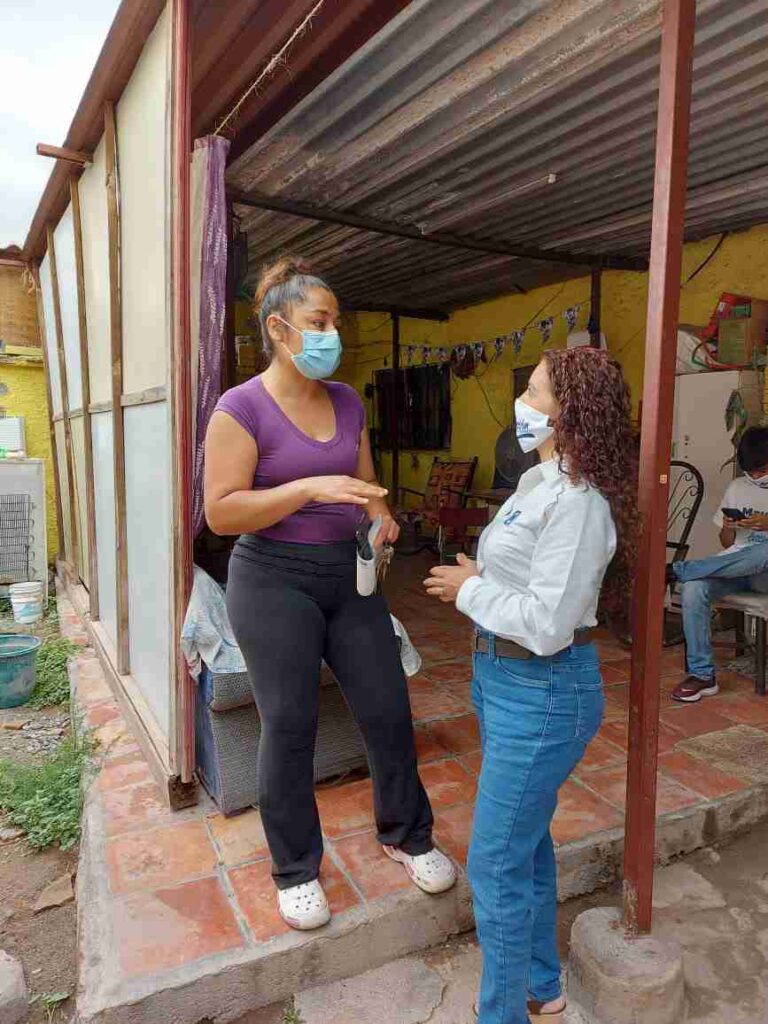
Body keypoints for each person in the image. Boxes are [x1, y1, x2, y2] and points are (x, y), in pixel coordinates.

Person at [204, 255, 455, 931]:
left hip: (350, 577)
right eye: (320, 322)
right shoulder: (241, 407)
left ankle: (407, 833)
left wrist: (381, 520)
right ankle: (294, 868)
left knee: (387, 709)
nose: (332, 334)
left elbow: (368, 491)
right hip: (271, 580)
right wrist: (308, 488)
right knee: (289, 724)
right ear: (280, 328)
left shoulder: (347, 401)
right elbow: (221, 513)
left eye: (336, 322)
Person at [424, 348, 638, 1024]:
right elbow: (524, 580)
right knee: (525, 843)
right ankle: (542, 988)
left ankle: (503, 1014)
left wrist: (472, 589)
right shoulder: (539, 481)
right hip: (503, 678)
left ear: (565, 412)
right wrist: (481, 578)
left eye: (534, 389)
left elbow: (549, 624)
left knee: (492, 863)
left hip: (543, 690)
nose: (523, 398)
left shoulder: (579, 503)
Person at [668, 425, 768, 703]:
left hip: (765, 575)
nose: (755, 477)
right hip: (736, 567)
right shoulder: (738, 487)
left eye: (761, 470)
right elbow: (727, 544)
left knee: (764, 553)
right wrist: (728, 527)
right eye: (751, 471)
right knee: (694, 589)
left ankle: (679, 570)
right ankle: (702, 676)